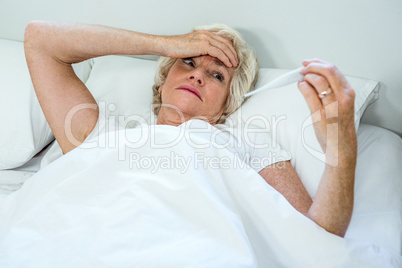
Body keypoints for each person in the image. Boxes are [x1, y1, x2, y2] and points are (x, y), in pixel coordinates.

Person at [24, 21, 357, 238]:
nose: (198, 75)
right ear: (161, 82)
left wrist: (341, 149)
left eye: (217, 76)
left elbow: (318, 241)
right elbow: (40, 41)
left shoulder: (245, 142)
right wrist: (167, 44)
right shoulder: (108, 136)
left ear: (227, 105)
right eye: (189, 62)